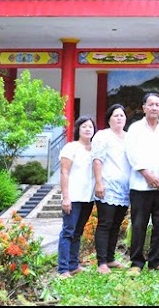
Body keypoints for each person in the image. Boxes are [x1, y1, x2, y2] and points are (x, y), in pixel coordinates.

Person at [125, 93, 159, 274]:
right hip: (140, 185)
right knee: (139, 224)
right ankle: (136, 262)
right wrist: (147, 175)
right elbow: (132, 154)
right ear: (144, 107)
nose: (154, 108)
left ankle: (157, 261)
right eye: (151, 104)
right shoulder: (135, 129)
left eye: (157, 105)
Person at [92, 104, 131, 274]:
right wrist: (99, 182)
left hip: (124, 189)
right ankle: (101, 262)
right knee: (105, 223)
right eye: (116, 115)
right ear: (109, 119)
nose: (119, 118)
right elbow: (97, 160)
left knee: (116, 225)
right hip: (107, 187)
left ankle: (111, 258)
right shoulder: (102, 136)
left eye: (122, 115)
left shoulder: (129, 137)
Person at [57, 115, 97, 278]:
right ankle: (63, 268)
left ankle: (74, 265)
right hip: (73, 197)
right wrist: (66, 197)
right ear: (78, 130)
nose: (88, 129)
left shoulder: (95, 148)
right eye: (84, 126)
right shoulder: (71, 147)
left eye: (90, 126)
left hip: (88, 197)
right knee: (68, 231)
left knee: (78, 232)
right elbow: (64, 172)